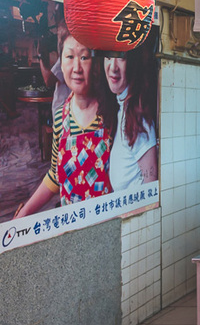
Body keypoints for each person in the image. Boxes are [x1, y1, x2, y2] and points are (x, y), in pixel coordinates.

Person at [15, 34, 117, 218]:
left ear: (94, 65)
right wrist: (25, 212)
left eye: (84, 57)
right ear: (60, 66)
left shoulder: (111, 113)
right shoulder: (61, 118)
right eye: (70, 57)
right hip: (71, 223)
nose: (77, 67)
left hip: (105, 221)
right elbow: (55, 176)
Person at [105, 37, 158, 191]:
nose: (112, 67)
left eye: (121, 58)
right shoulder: (122, 107)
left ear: (133, 63)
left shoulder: (137, 118)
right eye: (108, 57)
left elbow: (150, 184)